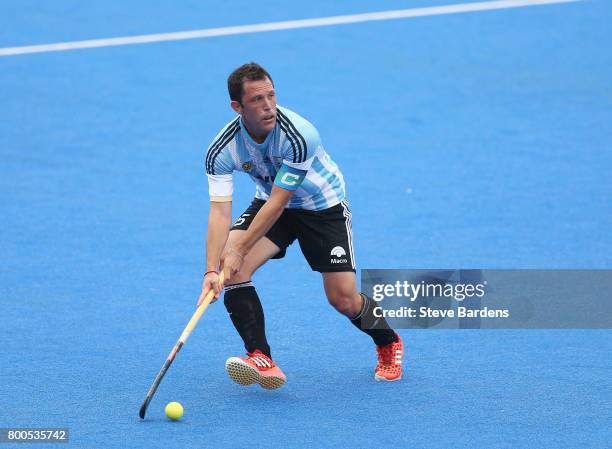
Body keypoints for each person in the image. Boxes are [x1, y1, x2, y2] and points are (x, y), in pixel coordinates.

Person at [197, 62, 403, 389]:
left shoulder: (299, 135)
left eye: (271, 96)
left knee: (343, 300)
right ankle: (260, 357)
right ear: (238, 107)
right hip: (270, 202)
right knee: (231, 269)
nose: (268, 106)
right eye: (257, 100)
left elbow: (282, 200)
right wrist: (211, 270)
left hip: (321, 208)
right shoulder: (222, 149)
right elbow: (219, 213)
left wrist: (238, 247)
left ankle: (387, 341)